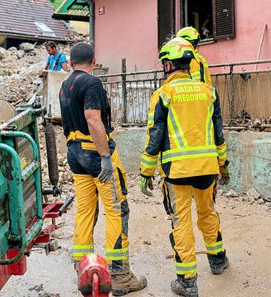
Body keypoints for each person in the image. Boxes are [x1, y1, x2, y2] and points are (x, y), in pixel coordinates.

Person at [139, 37, 229, 297]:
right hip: (207, 168)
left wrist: (146, 172)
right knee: (208, 213)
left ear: (168, 64)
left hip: (177, 171)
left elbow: (154, 136)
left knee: (181, 223)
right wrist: (223, 164)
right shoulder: (208, 92)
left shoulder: (163, 95)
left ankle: (187, 282)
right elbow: (219, 134)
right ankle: (218, 260)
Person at [59, 42, 147, 296]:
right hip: (95, 153)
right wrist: (105, 156)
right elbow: (93, 119)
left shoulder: (66, 85)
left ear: (72, 61)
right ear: (94, 61)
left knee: (85, 210)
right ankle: (119, 277)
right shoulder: (93, 84)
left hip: (75, 153)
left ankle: (84, 269)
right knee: (117, 210)